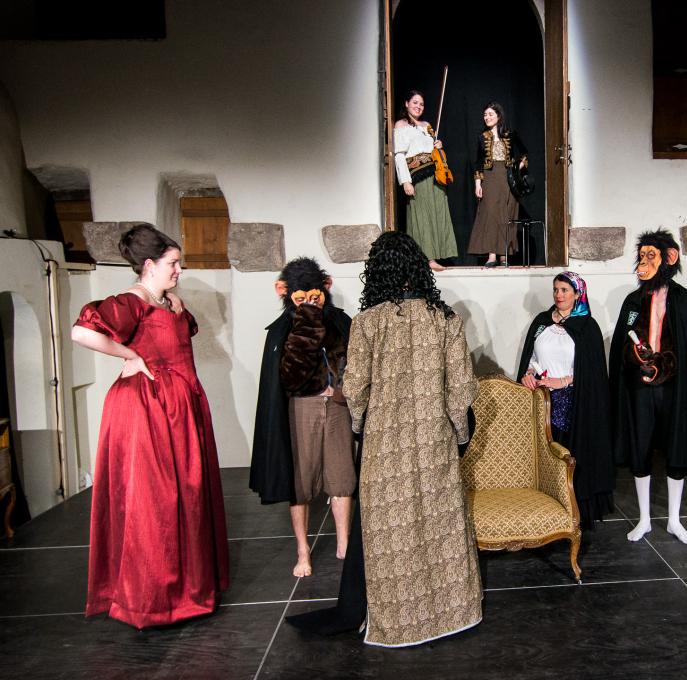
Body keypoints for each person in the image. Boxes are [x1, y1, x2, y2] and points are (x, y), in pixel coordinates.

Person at [287, 231, 481, 646]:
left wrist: (362, 428)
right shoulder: (445, 319)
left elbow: (355, 388)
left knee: (391, 534)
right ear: (417, 267)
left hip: (384, 445)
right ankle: (453, 614)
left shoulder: (368, 323)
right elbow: (462, 389)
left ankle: (398, 622)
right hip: (434, 442)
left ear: (376, 272)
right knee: (440, 526)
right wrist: (459, 436)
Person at [70, 223, 229, 628]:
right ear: (149, 264)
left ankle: (189, 589)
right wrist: (131, 355)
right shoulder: (132, 301)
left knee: (188, 494)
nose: (179, 269)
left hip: (181, 406)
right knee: (155, 500)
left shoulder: (170, 301)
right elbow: (81, 332)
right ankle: (154, 599)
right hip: (148, 409)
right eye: (173, 263)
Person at [610, 229, 687, 544]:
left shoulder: (686, 302)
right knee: (640, 447)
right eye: (641, 256)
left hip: (674, 390)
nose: (643, 263)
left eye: (651, 256)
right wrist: (637, 358)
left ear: (669, 258)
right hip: (641, 389)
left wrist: (665, 363)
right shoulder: (634, 301)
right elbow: (623, 343)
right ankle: (644, 519)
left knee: (676, 449)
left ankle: (674, 520)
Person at [250, 257, 355, 578]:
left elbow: (355, 361)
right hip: (301, 406)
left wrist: (342, 390)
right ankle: (302, 550)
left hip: (337, 405)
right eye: (302, 298)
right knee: (301, 481)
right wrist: (307, 324)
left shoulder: (340, 321)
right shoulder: (283, 330)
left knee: (342, 477)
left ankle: (344, 543)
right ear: (286, 293)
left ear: (326, 287)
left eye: (315, 296)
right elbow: (289, 376)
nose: (310, 303)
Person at [517, 272, 615, 529]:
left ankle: (573, 511)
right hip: (541, 400)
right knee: (545, 456)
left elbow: (591, 371)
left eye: (564, 290)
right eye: (556, 290)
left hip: (575, 402)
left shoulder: (587, 326)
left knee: (570, 456)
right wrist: (529, 373)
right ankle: (545, 509)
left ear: (577, 294)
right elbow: (532, 358)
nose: (558, 295)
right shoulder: (541, 322)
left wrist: (562, 381)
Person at [393, 90, 458, 272]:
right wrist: (405, 181)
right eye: (415, 102)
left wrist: (438, 146)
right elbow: (399, 155)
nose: (418, 106)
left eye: (421, 104)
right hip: (418, 177)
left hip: (434, 175)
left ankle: (438, 255)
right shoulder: (401, 125)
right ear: (406, 103)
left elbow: (433, 152)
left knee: (438, 214)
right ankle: (426, 259)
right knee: (422, 216)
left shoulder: (427, 126)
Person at [468, 102, 528, 267]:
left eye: (490, 114)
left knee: (506, 214)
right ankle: (492, 255)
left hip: (507, 177)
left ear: (499, 116)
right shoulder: (482, 137)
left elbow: (524, 153)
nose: (487, 117)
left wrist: (516, 169)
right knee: (491, 214)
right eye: (485, 115)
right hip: (490, 177)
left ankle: (504, 255)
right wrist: (478, 184)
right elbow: (478, 162)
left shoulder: (510, 134)